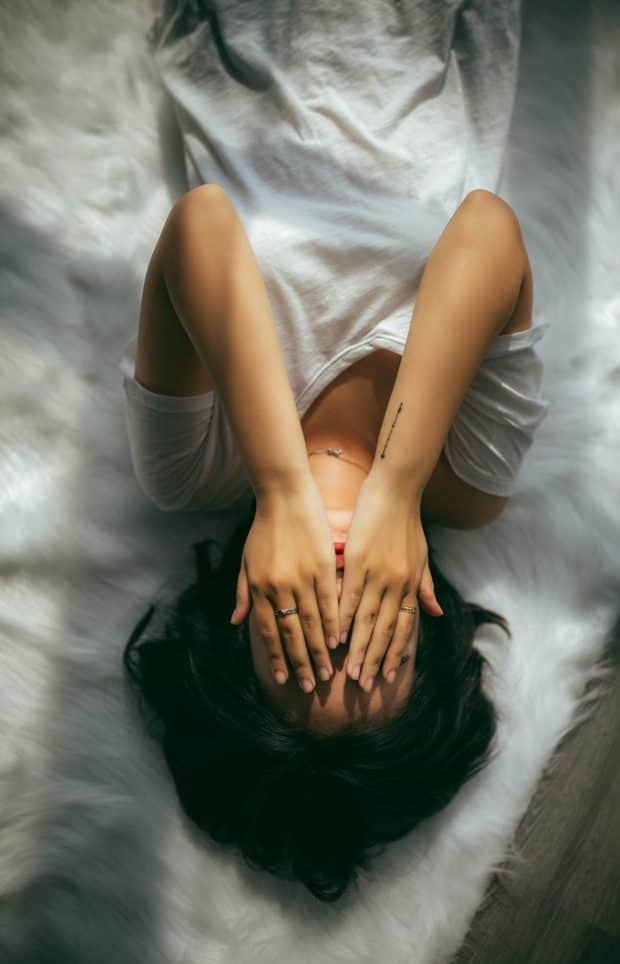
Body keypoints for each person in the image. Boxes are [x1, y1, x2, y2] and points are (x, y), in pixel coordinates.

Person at [122, 185, 547, 901]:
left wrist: (283, 487)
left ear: (238, 626)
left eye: (305, 651)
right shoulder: (469, 486)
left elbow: (201, 220)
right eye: (375, 646)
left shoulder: (189, 469)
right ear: (425, 621)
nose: (339, 608)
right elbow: (487, 226)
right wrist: (398, 482)